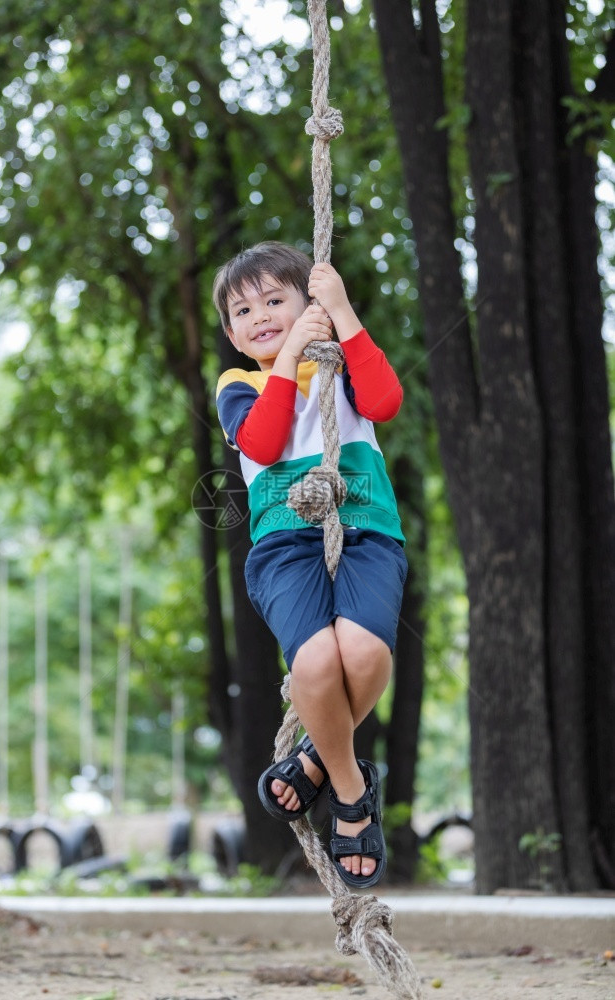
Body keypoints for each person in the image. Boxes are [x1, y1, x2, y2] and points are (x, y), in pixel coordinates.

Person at [213, 241, 407, 888]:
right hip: (284, 542)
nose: (260, 315)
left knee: (365, 652)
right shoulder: (239, 385)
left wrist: (343, 316)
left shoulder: (341, 363)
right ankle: (351, 792)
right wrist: (290, 355)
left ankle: (315, 761)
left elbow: (383, 404)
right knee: (316, 663)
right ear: (232, 334)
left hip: (366, 525)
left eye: (276, 300)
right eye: (243, 310)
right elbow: (264, 444)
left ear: (309, 305)